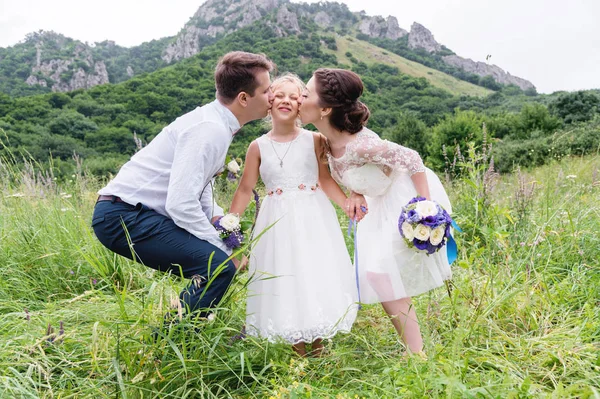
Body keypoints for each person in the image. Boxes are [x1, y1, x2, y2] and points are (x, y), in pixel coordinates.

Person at [91, 51, 274, 318]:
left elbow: (200, 192)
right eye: (267, 90)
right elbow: (180, 203)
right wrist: (224, 249)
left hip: (134, 213)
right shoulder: (208, 129)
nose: (272, 96)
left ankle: (178, 328)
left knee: (213, 265)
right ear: (244, 98)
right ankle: (170, 344)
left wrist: (225, 232)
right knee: (218, 266)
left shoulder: (216, 123)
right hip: (123, 216)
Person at [298, 68, 452, 355]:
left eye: (305, 94)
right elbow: (348, 174)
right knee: (380, 276)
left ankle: (417, 355)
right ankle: (414, 350)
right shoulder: (324, 141)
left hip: (402, 199)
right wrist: (355, 192)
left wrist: (425, 208)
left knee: (381, 272)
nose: (299, 98)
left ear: (325, 108)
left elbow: (413, 160)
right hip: (376, 203)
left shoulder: (362, 145)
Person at [228, 74, 361, 356]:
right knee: (285, 276)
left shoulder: (315, 140)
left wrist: (347, 202)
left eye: (294, 96)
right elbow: (244, 190)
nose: (286, 101)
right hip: (277, 223)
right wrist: (230, 228)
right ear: (269, 101)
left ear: (301, 104)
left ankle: (319, 343)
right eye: (279, 95)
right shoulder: (257, 146)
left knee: (312, 273)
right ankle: (297, 347)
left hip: (313, 219)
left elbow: (325, 180)